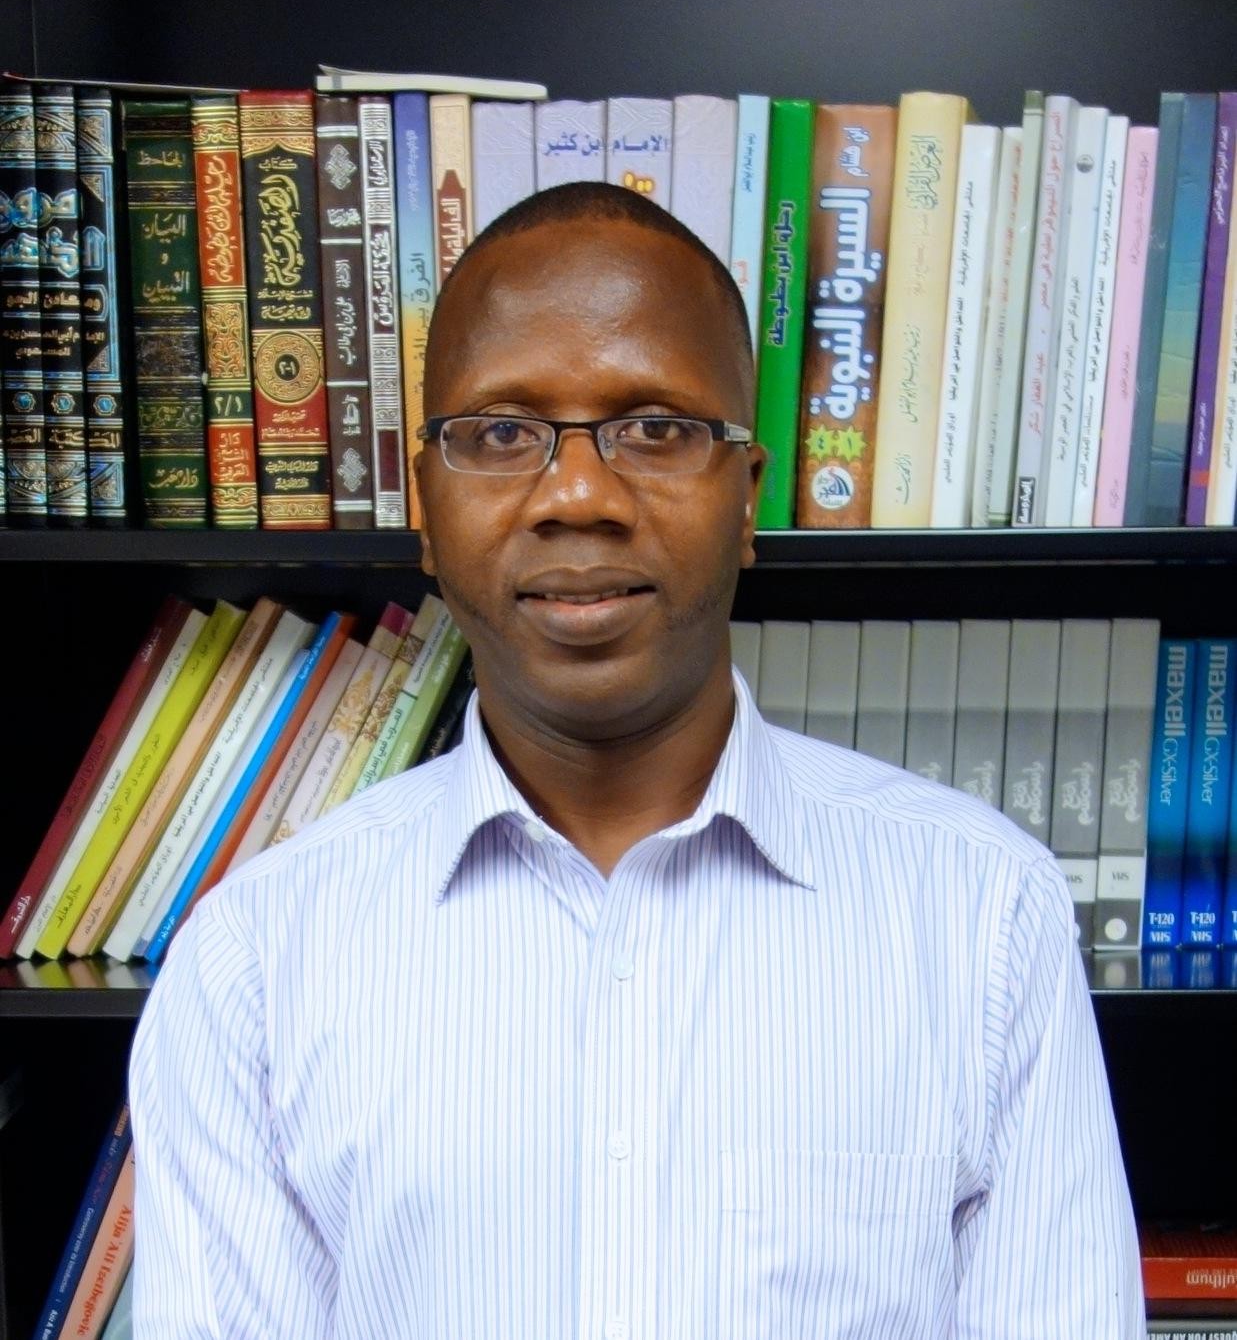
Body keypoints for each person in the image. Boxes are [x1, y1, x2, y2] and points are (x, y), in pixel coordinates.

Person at [129, 181, 1143, 1339]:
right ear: (425, 506)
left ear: (749, 496)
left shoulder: (979, 917)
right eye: (501, 433)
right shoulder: (253, 966)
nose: (577, 495)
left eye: (657, 429)